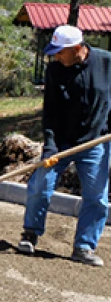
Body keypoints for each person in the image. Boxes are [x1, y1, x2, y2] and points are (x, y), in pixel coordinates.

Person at [19, 25, 108, 267]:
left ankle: (84, 247)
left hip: (95, 142)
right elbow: (51, 111)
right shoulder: (55, 70)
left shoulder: (106, 63)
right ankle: (30, 233)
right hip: (61, 142)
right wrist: (50, 147)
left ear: (78, 49)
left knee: (97, 197)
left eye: (60, 52)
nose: (56, 56)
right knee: (40, 185)